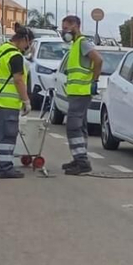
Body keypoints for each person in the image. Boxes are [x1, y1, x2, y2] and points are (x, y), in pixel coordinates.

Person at [0, 24, 34, 179]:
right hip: (8, 104)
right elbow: (19, 80)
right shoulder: (16, 56)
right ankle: (5, 168)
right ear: (24, 40)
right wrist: (26, 101)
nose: (28, 47)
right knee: (7, 136)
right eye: (29, 43)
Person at [58, 14, 103, 175]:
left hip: (81, 92)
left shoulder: (83, 43)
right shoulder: (76, 44)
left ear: (75, 26)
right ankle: (79, 159)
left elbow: (98, 60)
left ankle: (82, 162)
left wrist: (94, 81)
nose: (64, 32)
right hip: (76, 92)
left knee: (73, 127)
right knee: (81, 127)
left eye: (65, 28)